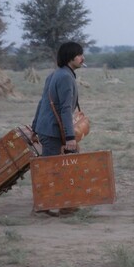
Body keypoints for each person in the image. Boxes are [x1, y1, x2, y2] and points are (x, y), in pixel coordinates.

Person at [31, 42, 85, 216]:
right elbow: (64, 109)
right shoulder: (65, 77)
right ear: (70, 57)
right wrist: (70, 137)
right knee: (54, 169)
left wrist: (34, 127)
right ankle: (46, 206)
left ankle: (63, 205)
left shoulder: (55, 74)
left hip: (46, 128)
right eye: (79, 55)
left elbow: (42, 103)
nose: (82, 58)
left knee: (59, 166)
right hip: (53, 130)